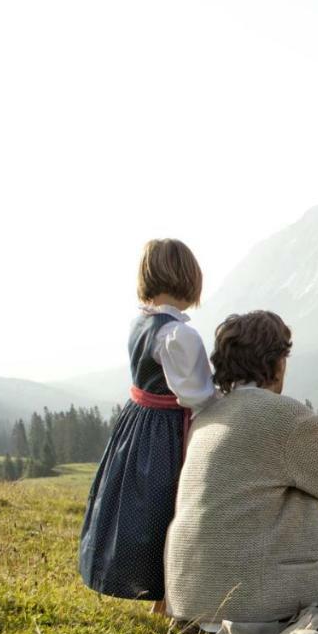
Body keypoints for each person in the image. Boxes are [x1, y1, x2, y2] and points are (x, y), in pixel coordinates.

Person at [163, 311, 318, 629]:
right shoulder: (285, 416)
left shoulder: (206, 416)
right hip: (252, 607)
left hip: (190, 601)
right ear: (277, 363)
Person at [78, 239, 216, 611]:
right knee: (173, 509)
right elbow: (197, 395)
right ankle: (170, 597)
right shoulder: (179, 335)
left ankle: (160, 596)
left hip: (138, 424)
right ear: (189, 279)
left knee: (145, 508)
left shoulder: (141, 323)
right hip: (168, 431)